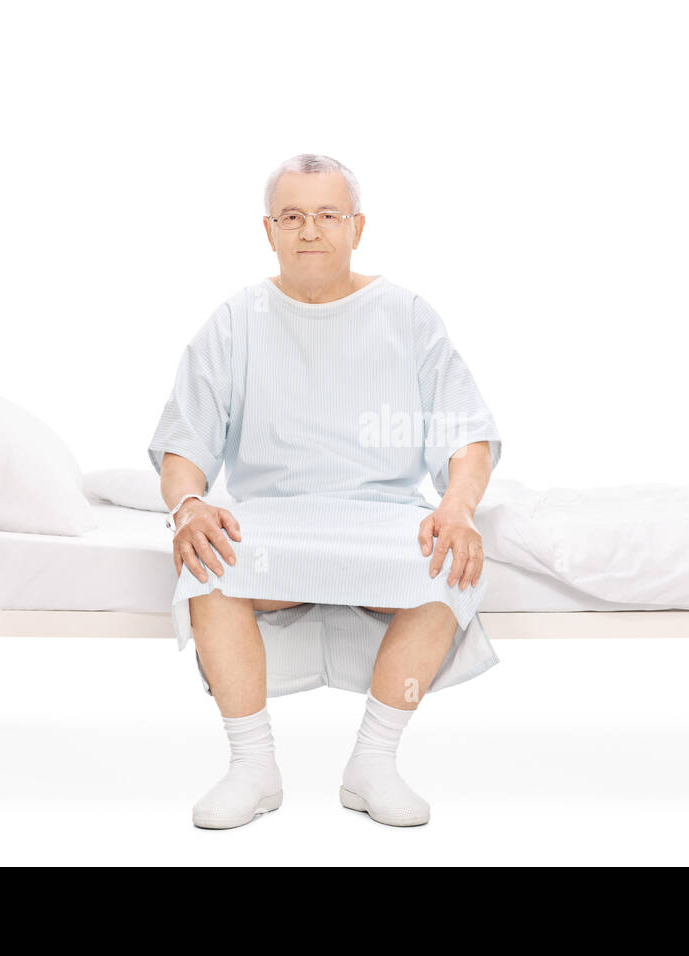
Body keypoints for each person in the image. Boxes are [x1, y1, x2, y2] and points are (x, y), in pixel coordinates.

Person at [148, 153, 502, 829]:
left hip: (383, 517)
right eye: (293, 216)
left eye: (327, 215)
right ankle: (252, 766)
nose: (310, 230)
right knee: (208, 565)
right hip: (271, 522)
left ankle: (374, 760)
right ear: (269, 231)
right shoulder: (236, 321)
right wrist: (189, 505)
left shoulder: (406, 315)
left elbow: (467, 434)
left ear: (357, 227)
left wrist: (456, 507)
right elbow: (182, 443)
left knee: (450, 566)